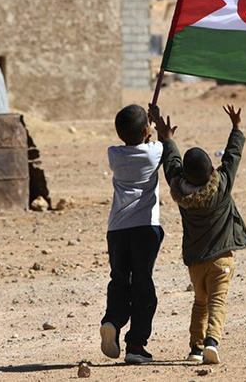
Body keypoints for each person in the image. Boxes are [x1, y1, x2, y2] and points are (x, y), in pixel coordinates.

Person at [151, 103, 246, 365]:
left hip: (195, 262)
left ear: (185, 174)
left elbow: (171, 163)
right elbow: (232, 157)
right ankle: (212, 342)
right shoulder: (222, 185)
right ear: (211, 171)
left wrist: (166, 137)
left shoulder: (179, 189)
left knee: (200, 302)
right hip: (221, 259)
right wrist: (236, 127)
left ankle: (196, 348)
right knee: (218, 302)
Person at [99, 104, 164, 364]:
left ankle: (113, 320)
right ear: (146, 131)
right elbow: (165, 144)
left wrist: (147, 128)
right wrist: (155, 125)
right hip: (145, 228)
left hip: (117, 229)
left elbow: (139, 141)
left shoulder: (114, 154)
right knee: (142, 284)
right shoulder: (154, 152)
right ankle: (136, 344)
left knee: (119, 279)